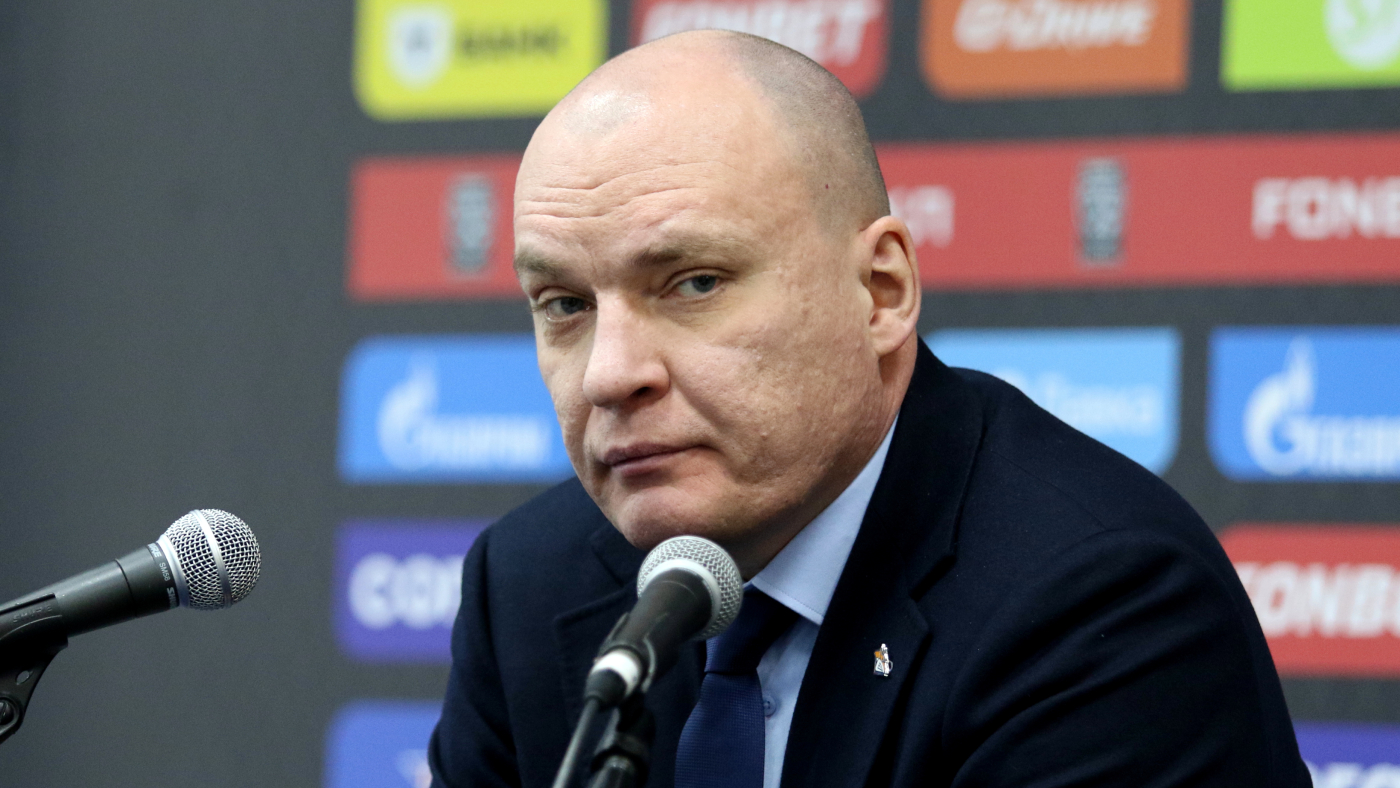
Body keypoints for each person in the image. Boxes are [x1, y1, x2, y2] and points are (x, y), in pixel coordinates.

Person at [428, 30, 1310, 788]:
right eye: (564, 305)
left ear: (880, 292)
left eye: (694, 283)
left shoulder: (1099, 605)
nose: (609, 375)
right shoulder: (527, 585)